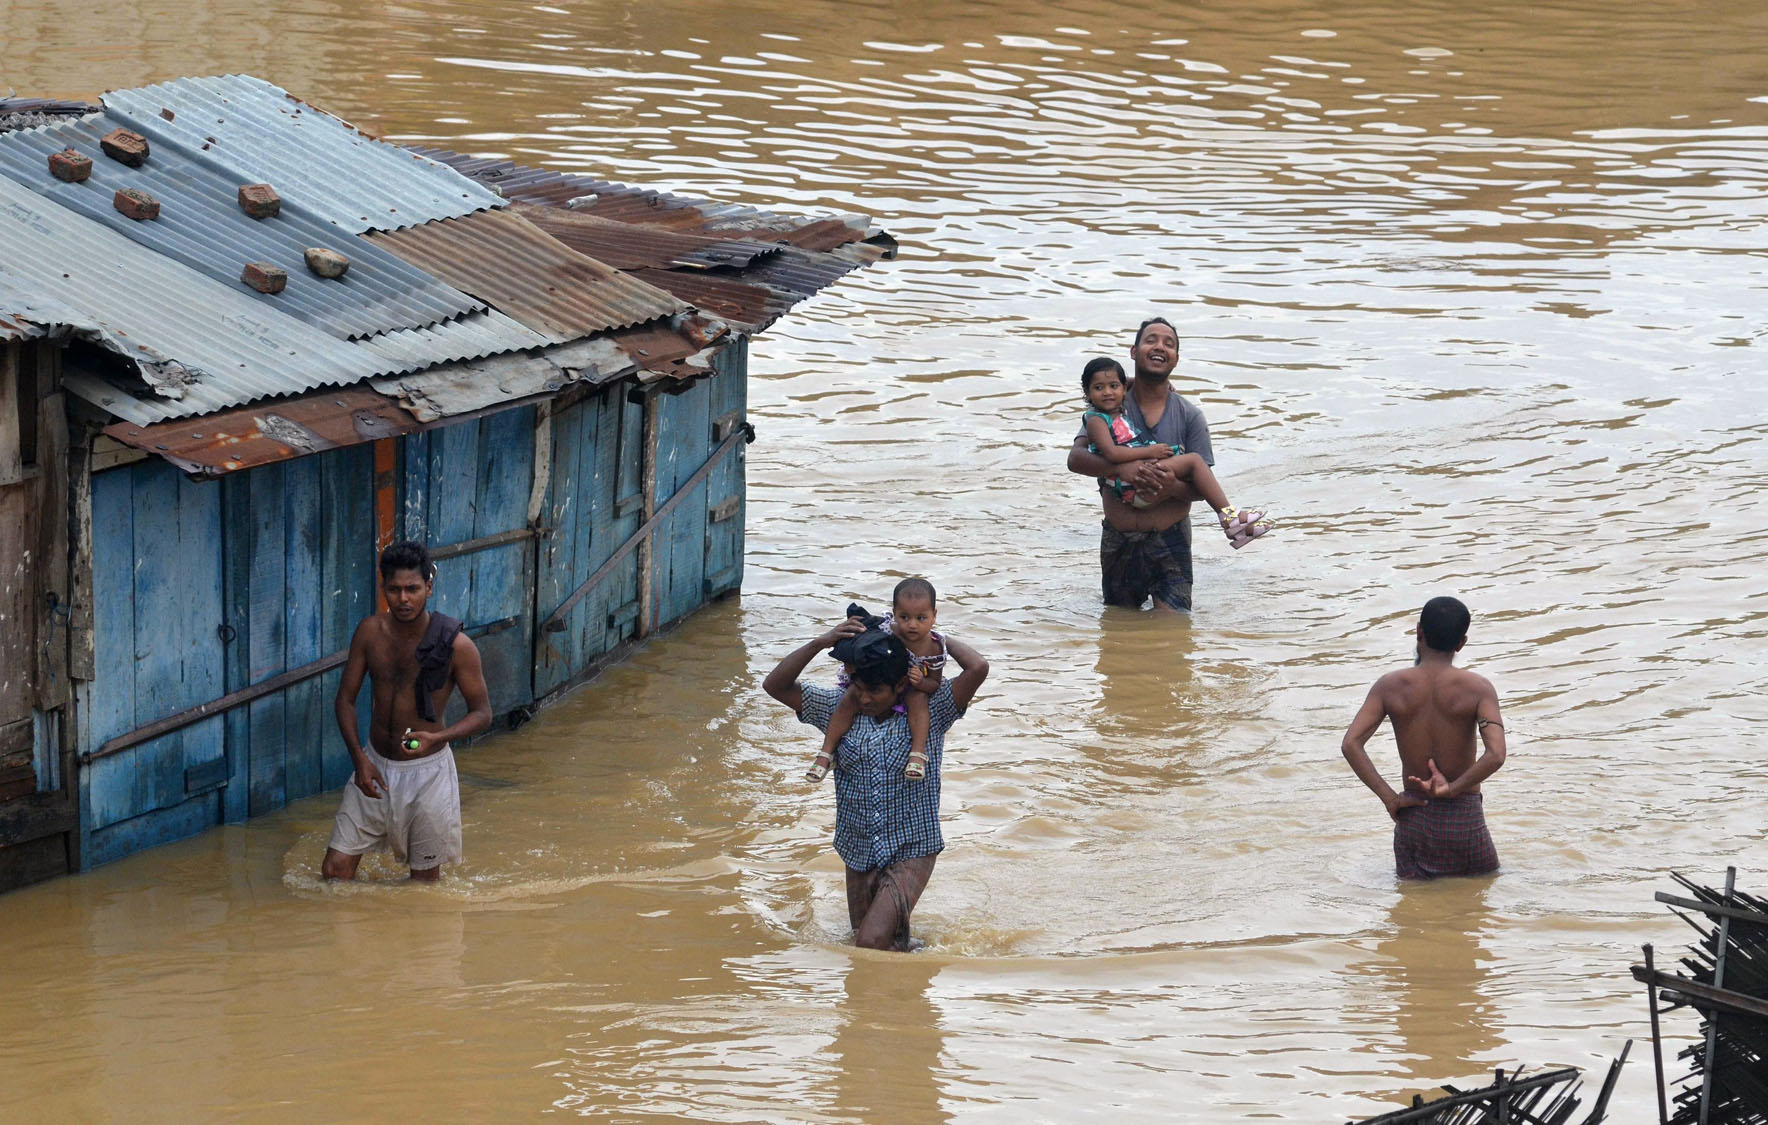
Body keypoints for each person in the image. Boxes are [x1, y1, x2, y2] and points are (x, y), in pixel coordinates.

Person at [763, 614, 990, 950]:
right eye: (860, 689)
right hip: (858, 850)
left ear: (900, 685)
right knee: (875, 942)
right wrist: (820, 643)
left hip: (913, 846)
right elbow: (775, 686)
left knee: (870, 941)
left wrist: (929, 639)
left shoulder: (931, 710)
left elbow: (977, 668)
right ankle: (905, 987)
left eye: (875, 691)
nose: (865, 699)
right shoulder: (838, 707)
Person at [321, 541, 492, 882]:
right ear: (383, 587)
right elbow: (345, 700)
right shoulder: (370, 632)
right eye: (395, 589)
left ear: (428, 587)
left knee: (423, 886)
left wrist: (438, 738)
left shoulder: (457, 647)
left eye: (412, 589)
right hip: (373, 765)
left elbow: (483, 713)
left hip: (428, 773)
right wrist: (360, 760)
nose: (403, 599)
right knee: (334, 870)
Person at [1339, 596, 1507, 880]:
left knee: (1412, 911)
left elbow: (1351, 744)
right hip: (1464, 820)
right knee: (1477, 905)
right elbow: (1496, 755)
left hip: (1414, 817)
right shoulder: (1478, 689)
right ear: (1461, 643)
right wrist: (1453, 789)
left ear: (1418, 631)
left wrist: (1389, 798)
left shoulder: (1389, 686)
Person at [1066, 317, 1220, 612]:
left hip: (1171, 540)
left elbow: (1201, 488)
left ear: (1176, 358)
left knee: (1172, 630)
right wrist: (1120, 469)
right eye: (1151, 340)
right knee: (1118, 631)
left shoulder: (1190, 416)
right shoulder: (1109, 405)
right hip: (1118, 540)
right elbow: (1076, 459)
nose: (1160, 346)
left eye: (1169, 343)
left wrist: (1168, 486)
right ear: (1134, 351)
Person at [1078, 355, 1270, 548]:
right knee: (1194, 461)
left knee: (1185, 459)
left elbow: (1199, 490)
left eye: (1113, 386)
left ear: (1123, 388)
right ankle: (1230, 517)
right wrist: (1148, 451)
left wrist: (1145, 383)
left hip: (1144, 496)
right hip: (1132, 485)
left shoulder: (1184, 413)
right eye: (1098, 388)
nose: (1107, 393)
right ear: (1087, 392)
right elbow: (1110, 453)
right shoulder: (1097, 420)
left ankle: (1239, 530)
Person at [805, 579, 948, 784]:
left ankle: (917, 754)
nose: (912, 624)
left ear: (934, 615)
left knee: (918, 699)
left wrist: (920, 683)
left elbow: (935, 683)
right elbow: (858, 645)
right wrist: (851, 663)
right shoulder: (885, 629)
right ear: (894, 613)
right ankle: (826, 753)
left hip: (909, 686)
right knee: (850, 698)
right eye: (904, 617)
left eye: (921, 618)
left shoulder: (934, 648)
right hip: (876, 681)